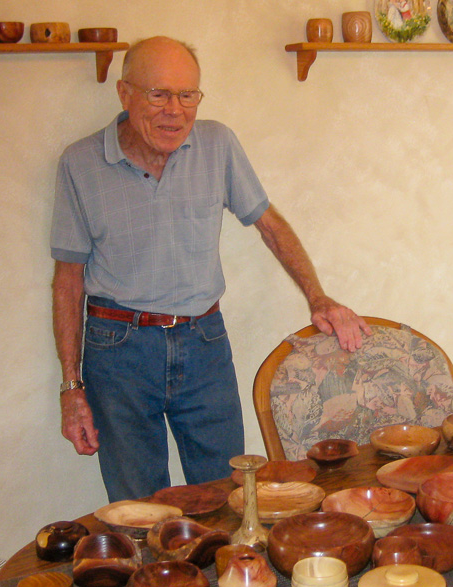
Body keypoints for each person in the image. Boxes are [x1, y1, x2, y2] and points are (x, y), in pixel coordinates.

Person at [50, 36, 370, 502]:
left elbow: (271, 226)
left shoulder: (217, 144)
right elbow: (67, 281)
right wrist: (71, 386)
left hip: (203, 343)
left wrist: (317, 297)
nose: (174, 111)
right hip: (118, 350)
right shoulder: (80, 163)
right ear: (124, 94)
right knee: (139, 508)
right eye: (158, 94)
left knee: (229, 495)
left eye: (187, 96)